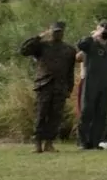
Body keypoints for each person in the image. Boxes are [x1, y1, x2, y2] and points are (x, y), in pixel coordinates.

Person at [19, 21, 77, 153]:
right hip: (44, 84)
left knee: (56, 116)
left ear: (63, 32)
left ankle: (49, 143)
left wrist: (69, 88)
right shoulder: (41, 47)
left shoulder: (69, 50)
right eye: (55, 31)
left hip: (60, 86)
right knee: (41, 114)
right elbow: (24, 50)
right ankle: (37, 143)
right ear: (50, 31)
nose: (58, 34)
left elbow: (70, 71)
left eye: (60, 32)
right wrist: (38, 37)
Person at [74, 20, 107, 149]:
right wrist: (95, 35)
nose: (105, 31)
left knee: (101, 113)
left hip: (104, 84)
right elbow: (80, 45)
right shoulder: (91, 45)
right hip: (90, 82)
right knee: (87, 111)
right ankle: (83, 141)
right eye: (103, 29)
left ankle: (95, 142)